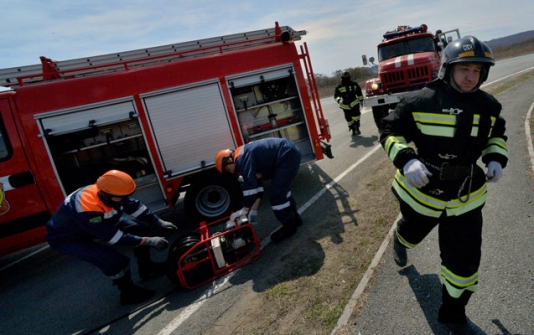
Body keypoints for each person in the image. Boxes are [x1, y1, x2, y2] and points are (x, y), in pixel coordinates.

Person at [380, 36, 508, 334]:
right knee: (412, 234)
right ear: (447, 69)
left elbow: (496, 136)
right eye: (464, 68)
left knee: (464, 261)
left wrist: (495, 159)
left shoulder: (489, 106)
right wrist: (407, 160)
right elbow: (390, 131)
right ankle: (401, 238)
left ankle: (454, 316)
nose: (470, 76)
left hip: (466, 196)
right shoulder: (419, 100)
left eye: (477, 71)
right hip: (422, 193)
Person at [46, 170, 178, 305]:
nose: (125, 199)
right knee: (112, 260)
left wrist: (158, 221)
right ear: (108, 196)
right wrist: (148, 241)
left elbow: (133, 206)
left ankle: (147, 268)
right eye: (122, 197)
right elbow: (114, 237)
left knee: (140, 229)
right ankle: (128, 293)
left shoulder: (113, 190)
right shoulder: (87, 207)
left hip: (91, 226)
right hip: (68, 238)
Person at [214, 138, 302, 242]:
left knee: (276, 195)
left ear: (228, 160)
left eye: (228, 169)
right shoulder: (243, 155)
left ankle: (289, 227)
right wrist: (254, 209)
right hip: (287, 153)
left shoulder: (241, 159)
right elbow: (257, 184)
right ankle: (295, 219)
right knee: (282, 191)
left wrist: (245, 209)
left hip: (287, 156)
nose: (231, 171)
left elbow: (250, 187)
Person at [334, 71, 364, 136]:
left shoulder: (354, 84)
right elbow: (336, 96)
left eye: (347, 76)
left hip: (354, 102)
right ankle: (353, 129)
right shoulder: (339, 86)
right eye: (345, 76)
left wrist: (361, 100)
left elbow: (359, 93)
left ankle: (357, 127)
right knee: (349, 119)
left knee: (356, 116)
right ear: (342, 77)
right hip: (345, 105)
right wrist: (339, 100)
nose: (346, 77)